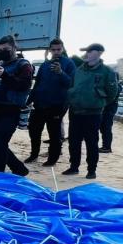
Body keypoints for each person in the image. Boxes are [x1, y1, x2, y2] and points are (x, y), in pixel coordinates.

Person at [63, 43, 116, 179]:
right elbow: (72, 85)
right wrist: (72, 96)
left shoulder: (107, 71)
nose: (87, 54)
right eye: (86, 51)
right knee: (74, 142)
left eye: (90, 51)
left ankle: (91, 170)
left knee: (91, 143)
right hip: (75, 111)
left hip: (93, 114)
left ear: (99, 53)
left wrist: (98, 103)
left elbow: (112, 93)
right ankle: (74, 167)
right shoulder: (79, 70)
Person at [0, 36, 33, 176]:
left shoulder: (23, 65)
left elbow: (24, 85)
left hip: (11, 110)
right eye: (0, 50)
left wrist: (4, 75)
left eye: (6, 49)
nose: (3, 52)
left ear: (14, 48)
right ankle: (19, 169)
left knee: (0, 142)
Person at [26, 38, 75, 166]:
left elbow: (72, 83)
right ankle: (34, 154)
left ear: (62, 49)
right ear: (50, 50)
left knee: (54, 133)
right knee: (34, 130)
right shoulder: (45, 64)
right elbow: (38, 83)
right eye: (53, 50)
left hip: (57, 105)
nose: (56, 52)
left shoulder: (69, 64)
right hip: (40, 104)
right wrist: (30, 100)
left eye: (58, 49)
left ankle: (52, 159)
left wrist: (61, 73)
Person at [99, 69, 123, 153]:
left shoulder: (117, 87)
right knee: (103, 127)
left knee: (106, 127)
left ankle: (107, 147)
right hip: (107, 108)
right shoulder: (113, 86)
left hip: (109, 109)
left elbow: (110, 97)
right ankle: (105, 146)